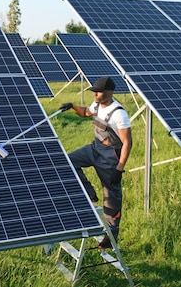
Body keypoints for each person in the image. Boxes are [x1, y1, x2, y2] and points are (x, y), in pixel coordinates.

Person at [60, 76, 132, 249]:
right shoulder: (97, 105)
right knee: (68, 162)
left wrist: (119, 169)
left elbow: (127, 142)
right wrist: (72, 106)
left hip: (110, 158)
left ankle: (111, 235)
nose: (95, 95)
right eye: (94, 92)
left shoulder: (119, 114)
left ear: (109, 92)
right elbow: (85, 112)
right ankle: (90, 193)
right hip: (95, 149)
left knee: (111, 197)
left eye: (98, 92)